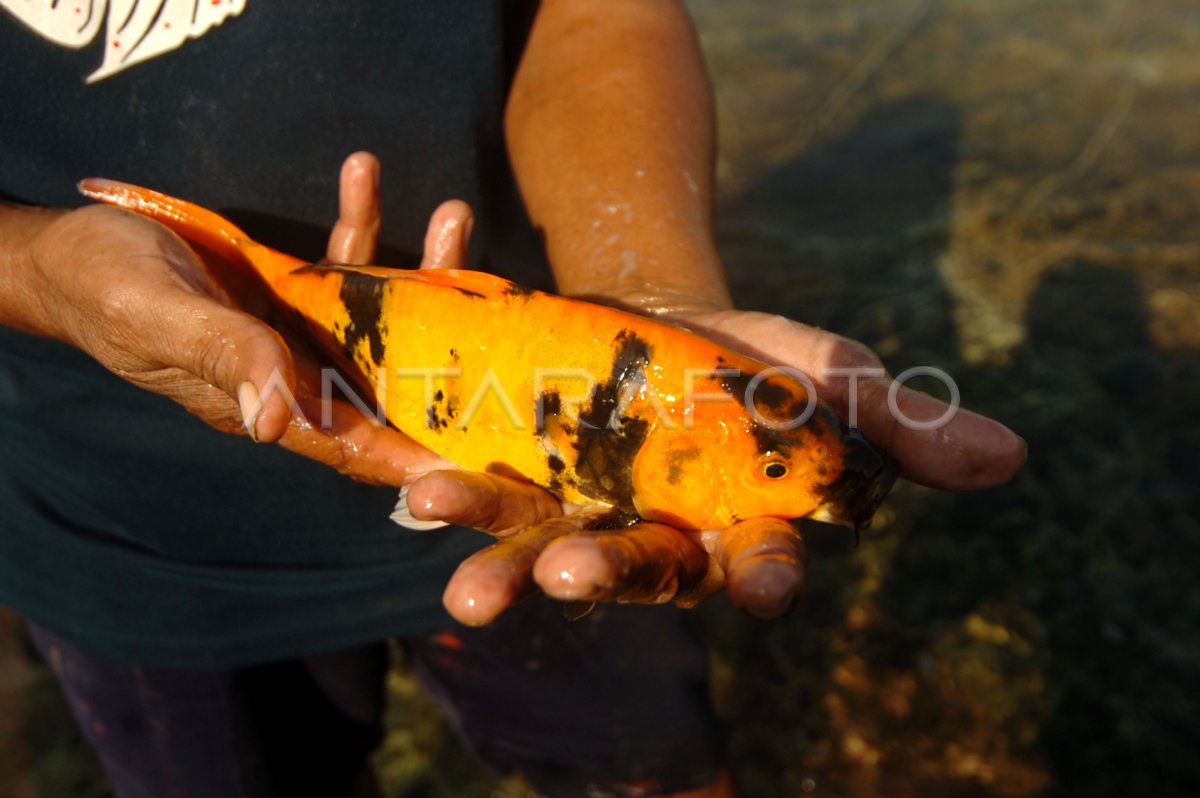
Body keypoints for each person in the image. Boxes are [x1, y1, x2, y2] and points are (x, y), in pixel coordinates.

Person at [0, 1, 1025, 796]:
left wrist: (658, 284)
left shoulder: (693, 409)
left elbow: (591, 15)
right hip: (123, 529)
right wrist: (40, 268)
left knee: (653, 764)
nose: (790, 483)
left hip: (476, 398)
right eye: (768, 468)